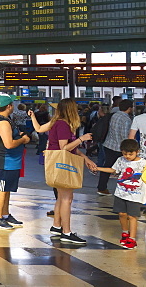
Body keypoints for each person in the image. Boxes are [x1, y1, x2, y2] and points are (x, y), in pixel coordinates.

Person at [34, 98, 98, 245]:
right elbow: (65, 148)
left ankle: (57, 226)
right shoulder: (63, 125)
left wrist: (86, 159)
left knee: (61, 198)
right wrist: (82, 138)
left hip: (57, 163)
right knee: (66, 199)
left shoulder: (59, 123)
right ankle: (66, 232)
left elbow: (70, 147)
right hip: (61, 164)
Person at [0, 93, 32, 230]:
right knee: (1, 188)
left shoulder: (0, 119)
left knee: (6, 188)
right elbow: (9, 144)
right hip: (5, 160)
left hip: (10, 160)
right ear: (9, 106)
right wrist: (23, 140)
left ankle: (5, 214)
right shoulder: (2, 123)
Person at [93, 138, 146, 249]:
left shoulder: (143, 163)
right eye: (124, 153)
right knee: (121, 214)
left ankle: (132, 239)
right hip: (120, 193)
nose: (127, 156)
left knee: (132, 216)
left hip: (135, 195)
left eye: (130, 154)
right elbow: (113, 170)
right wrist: (98, 168)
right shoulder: (121, 160)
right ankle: (125, 233)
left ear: (138, 151)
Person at [98, 100, 134, 195]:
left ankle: (101, 187)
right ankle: (125, 189)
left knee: (107, 166)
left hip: (109, 144)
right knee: (125, 169)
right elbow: (125, 135)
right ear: (129, 108)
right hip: (119, 147)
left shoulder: (114, 115)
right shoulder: (126, 120)